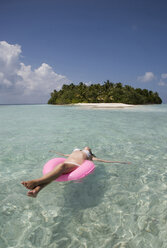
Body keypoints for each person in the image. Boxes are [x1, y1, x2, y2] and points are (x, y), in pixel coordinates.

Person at [21, 146, 130, 198]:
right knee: (55, 173)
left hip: (75, 165)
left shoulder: (90, 156)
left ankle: (36, 181)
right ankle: (36, 191)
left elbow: (104, 160)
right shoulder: (75, 151)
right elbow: (63, 155)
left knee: (61, 166)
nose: (87, 147)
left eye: (88, 149)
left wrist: (120, 162)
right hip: (67, 163)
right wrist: (54, 151)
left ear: (90, 151)